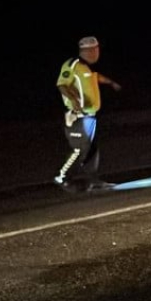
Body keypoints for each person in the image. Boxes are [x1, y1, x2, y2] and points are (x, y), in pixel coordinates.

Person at [54, 36, 122, 191]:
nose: (95, 53)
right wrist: (75, 101)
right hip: (77, 116)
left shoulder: (87, 68)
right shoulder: (72, 64)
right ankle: (62, 177)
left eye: (96, 50)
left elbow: (95, 77)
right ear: (82, 51)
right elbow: (62, 84)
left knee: (91, 148)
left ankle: (92, 180)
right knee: (78, 149)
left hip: (90, 115)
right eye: (91, 50)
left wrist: (111, 82)